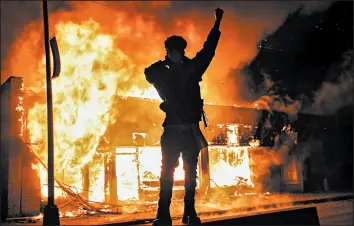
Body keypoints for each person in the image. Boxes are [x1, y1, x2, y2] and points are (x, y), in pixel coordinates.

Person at [144, 7, 224, 226]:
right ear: (168, 52)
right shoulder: (161, 71)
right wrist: (166, 64)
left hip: (189, 129)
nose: (176, 54)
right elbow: (148, 73)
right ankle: (163, 214)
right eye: (172, 51)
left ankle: (190, 212)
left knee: (191, 173)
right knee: (167, 172)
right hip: (171, 130)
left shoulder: (193, 69)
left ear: (182, 51)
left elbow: (209, 50)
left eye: (178, 50)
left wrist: (217, 25)